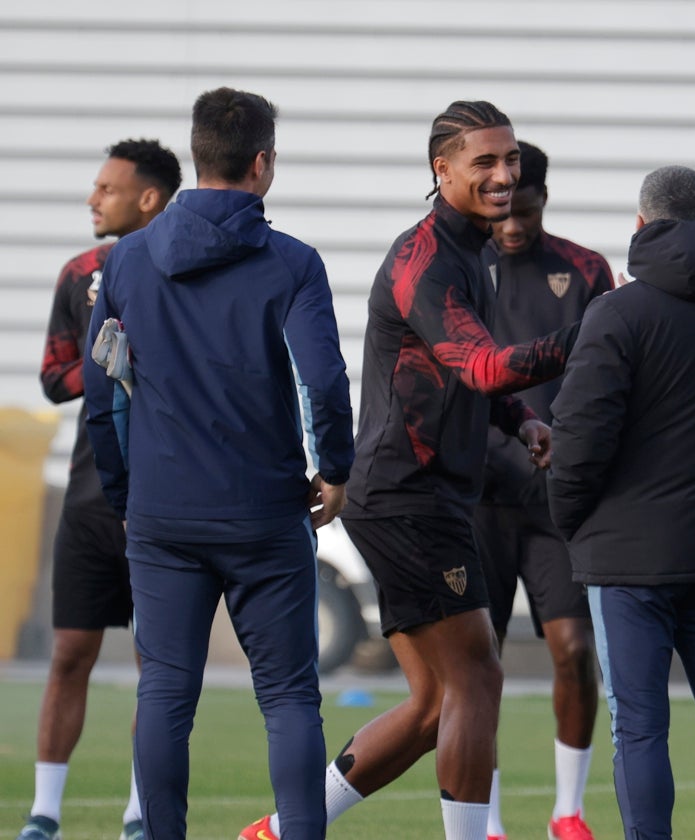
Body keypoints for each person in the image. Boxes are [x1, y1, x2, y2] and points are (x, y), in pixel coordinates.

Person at [241, 101, 579, 840]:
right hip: (408, 498)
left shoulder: (471, 252)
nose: (503, 174)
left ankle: (280, 831)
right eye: (484, 162)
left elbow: (463, 378)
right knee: (477, 678)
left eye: (510, 159)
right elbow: (487, 365)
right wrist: (596, 333)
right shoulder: (424, 259)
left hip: (417, 497)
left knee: (433, 707)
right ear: (442, 170)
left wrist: (523, 423)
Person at [83, 87, 355, 840]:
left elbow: (101, 389)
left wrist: (124, 490)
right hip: (266, 508)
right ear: (262, 162)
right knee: (291, 697)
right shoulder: (293, 264)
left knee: (166, 692)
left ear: (198, 157)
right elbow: (324, 381)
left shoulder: (129, 261)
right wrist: (335, 467)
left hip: (164, 509)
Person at [546, 165, 695, 839]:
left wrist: (570, 522)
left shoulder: (617, 315)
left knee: (641, 730)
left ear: (639, 226)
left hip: (629, 558)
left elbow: (580, 440)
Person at [21, 139, 181, 840]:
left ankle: (139, 814)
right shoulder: (79, 272)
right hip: (90, 496)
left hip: (165, 496)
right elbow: (54, 377)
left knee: (159, 663)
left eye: (107, 188)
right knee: (68, 654)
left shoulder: (187, 265)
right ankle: (43, 814)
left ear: (149, 198)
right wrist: (106, 360)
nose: (94, 198)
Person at [475, 140, 612, 840]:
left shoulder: (585, 270)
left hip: (556, 501)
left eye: (524, 211)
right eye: (502, 211)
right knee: (481, 667)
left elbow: (612, 379)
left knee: (574, 651)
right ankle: (491, 824)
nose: (512, 226)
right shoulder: (458, 267)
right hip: (475, 499)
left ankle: (568, 813)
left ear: (543, 200)